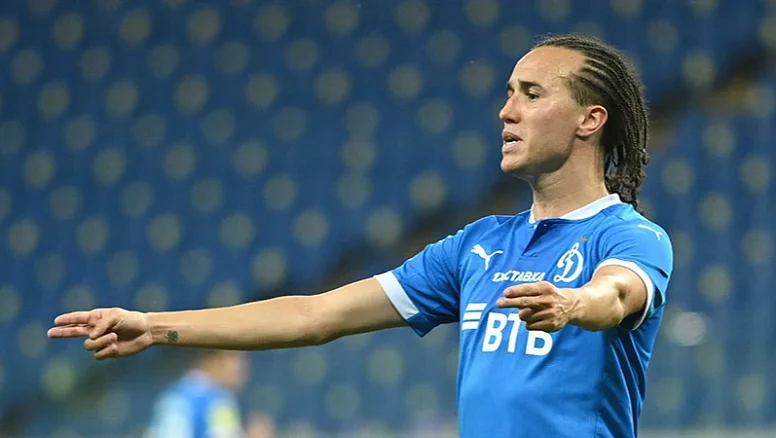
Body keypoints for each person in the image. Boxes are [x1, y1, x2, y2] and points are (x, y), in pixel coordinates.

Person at [48, 34, 674, 438]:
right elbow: (314, 315)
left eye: (531, 95)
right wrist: (153, 326)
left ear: (590, 119)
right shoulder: (477, 246)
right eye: (508, 94)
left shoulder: (630, 237)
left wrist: (574, 304)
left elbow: (616, 294)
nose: (506, 111)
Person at [145, 350, 276, 438]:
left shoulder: (221, 398)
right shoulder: (184, 400)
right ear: (214, 359)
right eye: (237, 358)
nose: (244, 368)